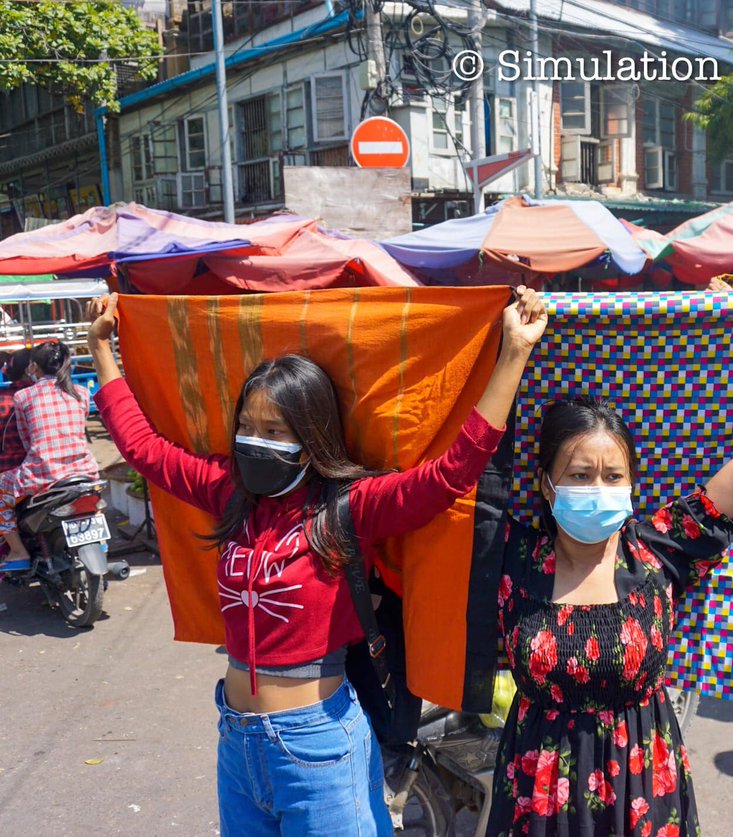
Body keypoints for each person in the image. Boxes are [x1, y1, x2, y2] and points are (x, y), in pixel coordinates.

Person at [85, 289, 547, 836]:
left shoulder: (351, 507)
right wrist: (101, 351)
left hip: (318, 744)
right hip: (236, 740)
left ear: (310, 440)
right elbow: (142, 449)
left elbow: (451, 474)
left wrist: (513, 351)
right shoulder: (228, 491)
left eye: (275, 432)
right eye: (247, 428)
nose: (255, 443)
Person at [485, 286, 733, 836]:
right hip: (539, 795)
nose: (598, 488)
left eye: (612, 477)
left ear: (634, 484)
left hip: (644, 787)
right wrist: (513, 352)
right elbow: (458, 467)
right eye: (578, 475)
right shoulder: (511, 556)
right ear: (546, 486)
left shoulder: (659, 550)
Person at [0, 341, 98, 567]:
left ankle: (17, 551)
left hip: (43, 473)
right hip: (86, 470)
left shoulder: (23, 396)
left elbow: (27, 441)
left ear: (34, 366)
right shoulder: (82, 392)